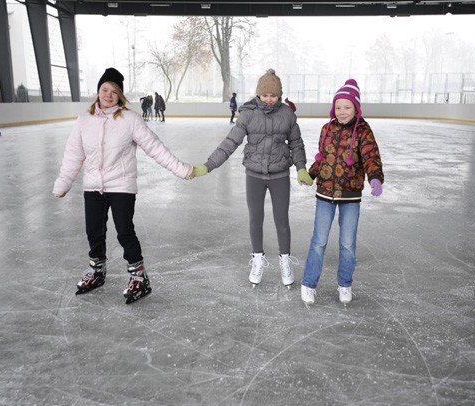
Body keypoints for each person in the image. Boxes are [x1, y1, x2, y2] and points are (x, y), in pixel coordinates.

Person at [52, 68, 198, 304]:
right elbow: (73, 155)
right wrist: (63, 183)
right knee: (93, 231)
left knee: (125, 232)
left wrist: (182, 169)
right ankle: (97, 271)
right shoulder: (84, 121)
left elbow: (155, 147)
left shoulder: (130, 119)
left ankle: (139, 277)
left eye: (114, 91)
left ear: (120, 95)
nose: (109, 95)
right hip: (93, 187)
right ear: (98, 91)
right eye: (105, 90)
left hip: (121, 185)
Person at [192, 69, 313, 288]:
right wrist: (209, 164)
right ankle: (258, 258)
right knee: (255, 219)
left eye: (273, 95)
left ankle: (285, 260)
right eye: (264, 95)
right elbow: (230, 143)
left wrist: (302, 167)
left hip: (279, 175)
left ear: (279, 95)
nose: (268, 99)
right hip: (254, 175)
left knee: (281, 220)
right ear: (258, 94)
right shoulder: (248, 114)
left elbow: (296, 143)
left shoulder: (287, 114)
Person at [300, 78, 384, 306]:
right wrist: (311, 174)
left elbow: (370, 156)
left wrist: (374, 178)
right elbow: (321, 159)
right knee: (319, 241)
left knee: (347, 243)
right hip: (325, 193)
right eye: (338, 107)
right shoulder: (326, 129)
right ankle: (308, 284)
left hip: (350, 195)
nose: (342, 111)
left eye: (347, 107)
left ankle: (345, 284)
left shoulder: (364, 131)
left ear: (356, 107)